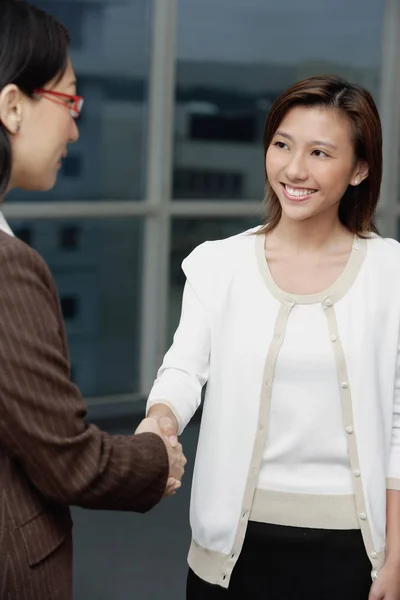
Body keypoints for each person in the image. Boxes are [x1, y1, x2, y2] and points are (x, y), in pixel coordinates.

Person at [144, 74, 400, 599]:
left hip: (354, 551)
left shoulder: (390, 273)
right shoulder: (220, 264)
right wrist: (160, 417)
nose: (294, 169)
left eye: (320, 153)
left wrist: (396, 559)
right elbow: (185, 368)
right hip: (232, 554)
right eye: (282, 144)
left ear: (360, 169)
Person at [0, 1, 186, 598]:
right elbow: (68, 459)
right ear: (11, 107)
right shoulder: (9, 269)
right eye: (69, 102)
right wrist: (158, 458)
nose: (76, 129)